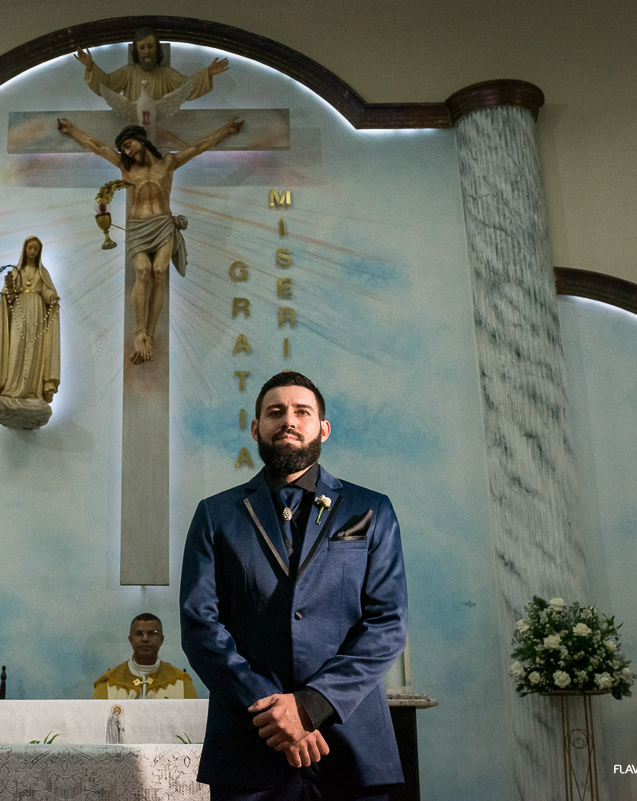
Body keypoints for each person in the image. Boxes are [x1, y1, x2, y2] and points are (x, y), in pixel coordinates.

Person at [180, 371, 408, 800]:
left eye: (302, 411)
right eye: (275, 412)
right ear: (256, 428)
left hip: (351, 742)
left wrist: (310, 706)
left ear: (322, 427)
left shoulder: (371, 509)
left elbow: (388, 623)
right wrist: (273, 712)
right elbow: (200, 626)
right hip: (250, 746)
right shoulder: (216, 514)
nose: (289, 420)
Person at [56, 118, 243, 364]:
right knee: (142, 272)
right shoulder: (126, 169)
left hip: (164, 226)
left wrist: (226, 129)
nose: (127, 150)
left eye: (129, 144)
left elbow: (199, 146)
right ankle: (139, 331)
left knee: (158, 271)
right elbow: (97, 146)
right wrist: (71, 130)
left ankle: (150, 334)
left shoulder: (168, 163)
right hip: (138, 228)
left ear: (142, 140)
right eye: (123, 148)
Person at [0, 236, 60, 428]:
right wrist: (11, 287)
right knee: (16, 349)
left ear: (39, 252)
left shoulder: (42, 272)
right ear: (24, 249)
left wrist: (52, 296)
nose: (32, 251)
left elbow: (45, 291)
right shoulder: (16, 272)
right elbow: (9, 298)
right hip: (20, 312)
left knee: (35, 352)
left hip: (37, 313)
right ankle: (12, 390)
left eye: (36, 249)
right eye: (30, 248)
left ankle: (33, 391)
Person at [74, 27, 229, 103]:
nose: (147, 51)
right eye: (142, 48)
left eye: (150, 46)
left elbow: (185, 86)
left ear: (157, 48)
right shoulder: (128, 72)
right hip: (133, 128)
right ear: (136, 51)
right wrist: (90, 67)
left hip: (161, 127)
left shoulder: (166, 73)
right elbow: (107, 85)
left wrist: (207, 73)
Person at [93, 613, 198, 699]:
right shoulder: (108, 682)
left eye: (152, 633)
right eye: (139, 633)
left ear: (161, 640)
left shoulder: (181, 682)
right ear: (130, 640)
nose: (145, 639)